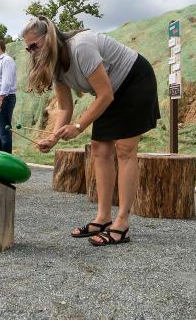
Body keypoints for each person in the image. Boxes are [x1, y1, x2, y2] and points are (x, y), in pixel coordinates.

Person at [25, 16, 159, 246]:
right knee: (99, 150)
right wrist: (54, 137)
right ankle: (103, 217)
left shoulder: (81, 47)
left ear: (48, 38)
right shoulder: (56, 66)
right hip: (109, 92)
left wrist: (78, 127)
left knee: (125, 150)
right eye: (28, 48)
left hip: (135, 80)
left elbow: (105, 94)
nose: (31, 52)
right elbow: (66, 107)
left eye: (33, 45)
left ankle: (122, 223)